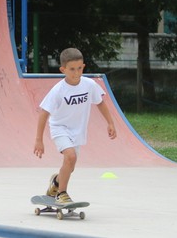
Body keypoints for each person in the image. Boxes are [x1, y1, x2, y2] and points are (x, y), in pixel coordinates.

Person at [33, 48, 117, 204]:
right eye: (72, 69)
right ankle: (61, 193)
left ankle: (56, 182)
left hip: (77, 132)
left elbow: (100, 102)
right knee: (70, 156)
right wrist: (39, 140)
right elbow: (44, 113)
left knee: (70, 166)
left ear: (83, 67)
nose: (76, 73)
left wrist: (110, 123)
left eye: (79, 68)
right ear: (63, 70)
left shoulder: (89, 85)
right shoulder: (58, 90)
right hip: (59, 128)